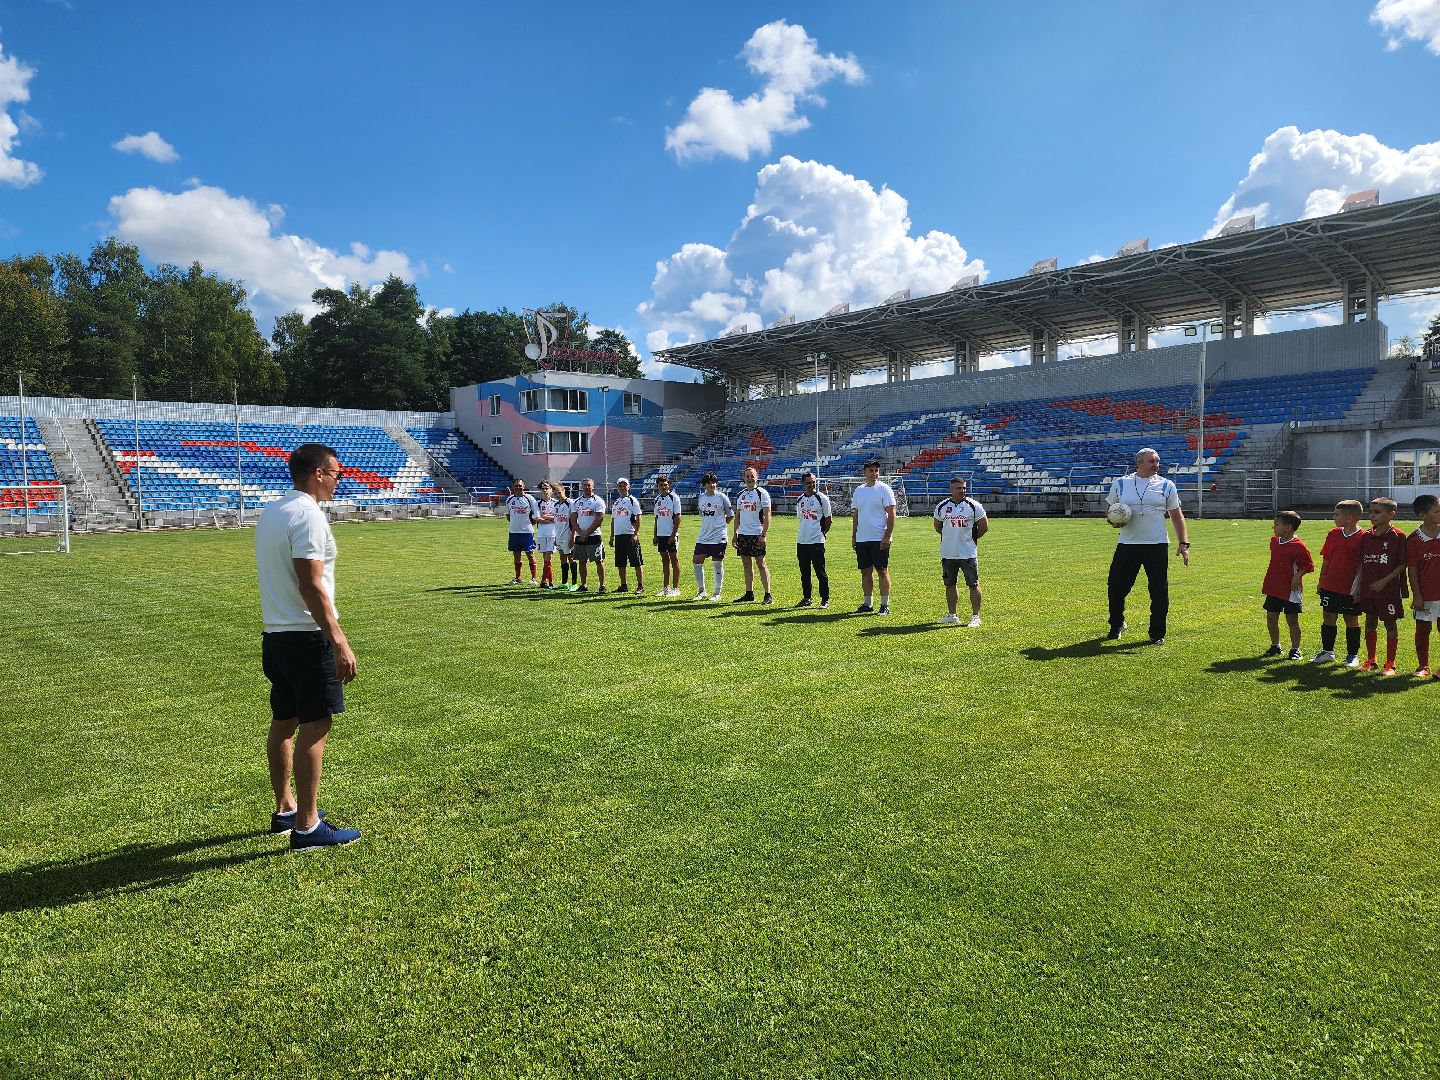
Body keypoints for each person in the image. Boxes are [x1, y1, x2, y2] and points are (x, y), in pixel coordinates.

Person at [254, 442, 360, 851]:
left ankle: (285, 809)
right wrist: (338, 639)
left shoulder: (273, 510)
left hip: (276, 635)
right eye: (336, 474)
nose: (338, 481)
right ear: (318, 473)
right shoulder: (307, 515)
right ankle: (308, 826)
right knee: (317, 723)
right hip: (305, 635)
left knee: (284, 720)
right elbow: (311, 583)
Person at [1104, 447, 1190, 645]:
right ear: (1139, 463)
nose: (1156, 465)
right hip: (1128, 544)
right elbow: (1110, 510)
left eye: (1157, 461)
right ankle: (1117, 624)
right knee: (1116, 587)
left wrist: (1183, 543)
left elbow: (1176, 515)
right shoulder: (1121, 483)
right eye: (1152, 461)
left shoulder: (1167, 485)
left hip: (1157, 545)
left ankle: (1157, 633)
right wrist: (1113, 521)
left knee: (1159, 591)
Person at [1354, 497, 1408, 675]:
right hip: (1369, 589)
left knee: (1390, 624)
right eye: (1371, 512)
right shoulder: (1366, 536)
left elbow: (1402, 564)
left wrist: (1384, 581)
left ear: (1391, 514)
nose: (1372, 516)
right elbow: (1362, 563)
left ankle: (1390, 663)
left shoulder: (1398, 536)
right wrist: (1357, 588)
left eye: (1377, 512)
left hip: (1389, 590)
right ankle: (1371, 660)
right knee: (1370, 622)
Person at [1312, 499, 1366, 666]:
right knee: (1328, 616)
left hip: (1350, 588)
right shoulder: (1333, 533)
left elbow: (1364, 566)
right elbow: (1327, 558)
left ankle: (1352, 655)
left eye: (1336, 514)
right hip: (1330, 585)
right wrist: (1321, 580)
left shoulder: (1364, 537)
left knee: (1350, 618)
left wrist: (1359, 588)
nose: (1334, 517)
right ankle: (1328, 652)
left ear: (1350, 518)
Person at [933, 477, 988, 627]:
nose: (962, 490)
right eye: (959, 488)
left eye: (964, 488)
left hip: (967, 553)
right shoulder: (942, 506)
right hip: (948, 553)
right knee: (950, 584)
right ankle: (952, 615)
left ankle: (975, 617)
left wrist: (972, 539)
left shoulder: (974, 505)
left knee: (973, 584)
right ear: (951, 490)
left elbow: (984, 527)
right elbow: (938, 527)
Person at [1261, 510, 1313, 661]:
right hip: (1274, 587)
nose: (1273, 527)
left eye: (1276, 525)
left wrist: (1297, 576)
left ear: (1288, 528)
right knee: (1271, 617)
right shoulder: (1274, 542)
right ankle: (1275, 646)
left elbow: (1308, 565)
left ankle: (1295, 649)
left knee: (1292, 620)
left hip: (1290, 590)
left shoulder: (1298, 546)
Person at [850, 459, 896, 615]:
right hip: (862, 538)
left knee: (882, 571)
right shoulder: (859, 491)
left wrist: (887, 535)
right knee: (865, 572)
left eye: (876, 470)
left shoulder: (884, 489)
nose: (874, 474)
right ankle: (868, 603)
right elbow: (856, 514)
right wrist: (854, 536)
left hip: (879, 538)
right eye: (870, 470)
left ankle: (884, 605)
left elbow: (892, 513)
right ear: (864, 472)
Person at [1406, 493, 1440, 679]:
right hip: (1426, 595)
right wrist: (1417, 595)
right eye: (1437, 510)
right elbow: (1412, 570)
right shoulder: (1413, 540)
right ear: (1423, 515)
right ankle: (1423, 665)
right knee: (1423, 629)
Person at [732, 466, 773, 604]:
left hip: (757, 534)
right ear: (744, 478)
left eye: (752, 476)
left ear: (757, 477)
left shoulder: (762, 493)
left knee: (761, 564)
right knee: (746, 565)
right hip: (743, 534)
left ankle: (768, 595)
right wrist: (735, 534)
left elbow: (768, 515)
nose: (749, 478)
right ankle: (749, 593)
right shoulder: (741, 494)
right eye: (747, 476)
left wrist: (763, 534)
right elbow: (737, 516)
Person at [691, 471, 733, 601]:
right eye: (709, 483)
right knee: (697, 561)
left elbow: (730, 515)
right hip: (703, 536)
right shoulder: (701, 498)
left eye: (714, 482)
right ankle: (701, 591)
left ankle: (716, 593)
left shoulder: (722, 497)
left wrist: (720, 527)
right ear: (704, 485)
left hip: (718, 536)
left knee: (717, 563)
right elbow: (703, 515)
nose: (712, 485)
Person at [794, 471, 832, 609]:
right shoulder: (800, 500)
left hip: (816, 541)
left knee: (820, 572)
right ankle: (807, 598)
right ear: (803, 483)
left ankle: (825, 599)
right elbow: (802, 519)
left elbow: (828, 520)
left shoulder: (822, 498)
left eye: (813, 482)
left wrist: (822, 533)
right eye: (808, 482)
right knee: (804, 573)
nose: (811, 485)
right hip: (802, 541)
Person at [569, 477, 607, 594]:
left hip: (594, 535)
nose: (586, 487)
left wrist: (587, 532)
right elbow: (573, 520)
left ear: (593, 486)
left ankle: (602, 585)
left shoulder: (598, 501)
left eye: (589, 485)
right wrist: (580, 533)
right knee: (582, 560)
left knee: (598, 561)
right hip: (581, 536)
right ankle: (584, 585)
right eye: (584, 485)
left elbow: (599, 519)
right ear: (581, 487)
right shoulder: (576, 502)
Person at [610, 477, 645, 595]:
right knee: (620, 562)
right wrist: (612, 536)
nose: (622, 488)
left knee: (636, 561)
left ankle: (640, 586)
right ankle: (623, 585)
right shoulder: (616, 502)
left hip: (630, 535)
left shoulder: (632, 500)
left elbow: (639, 516)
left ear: (628, 487)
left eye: (624, 485)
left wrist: (636, 533)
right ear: (617, 488)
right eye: (620, 485)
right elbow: (613, 520)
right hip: (619, 536)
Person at [504, 479, 541, 585]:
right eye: (516, 486)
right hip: (514, 532)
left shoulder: (530, 499)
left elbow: (535, 515)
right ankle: (518, 578)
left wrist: (528, 524)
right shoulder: (509, 499)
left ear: (523, 486)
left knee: (530, 553)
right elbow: (508, 515)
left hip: (527, 532)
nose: (518, 487)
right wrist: (516, 523)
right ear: (513, 487)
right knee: (516, 555)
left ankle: (534, 578)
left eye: (520, 485)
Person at [652, 475, 683, 597]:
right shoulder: (657, 499)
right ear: (657, 486)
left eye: (665, 484)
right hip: (661, 535)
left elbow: (678, 517)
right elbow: (657, 518)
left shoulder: (674, 498)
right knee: (664, 560)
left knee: (674, 560)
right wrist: (655, 535)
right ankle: (666, 587)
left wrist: (673, 534)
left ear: (668, 485)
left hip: (671, 535)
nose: (663, 487)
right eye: (661, 485)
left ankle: (676, 588)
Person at [552, 481, 576, 591]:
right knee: (562, 558)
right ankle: (564, 582)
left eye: (559, 492)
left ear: (564, 491)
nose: (557, 495)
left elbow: (574, 521)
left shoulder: (571, 503)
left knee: (571, 558)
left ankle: (574, 584)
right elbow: (556, 521)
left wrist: (573, 536)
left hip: (568, 535)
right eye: (555, 493)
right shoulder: (555, 504)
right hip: (559, 536)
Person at [535, 480, 559, 589]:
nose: (545, 490)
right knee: (546, 558)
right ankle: (551, 582)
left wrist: (545, 517)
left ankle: (543, 581)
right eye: (543, 489)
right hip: (541, 534)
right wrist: (550, 519)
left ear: (551, 490)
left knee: (548, 557)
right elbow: (537, 519)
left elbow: (557, 518)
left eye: (547, 488)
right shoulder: (537, 503)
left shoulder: (556, 503)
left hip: (553, 534)